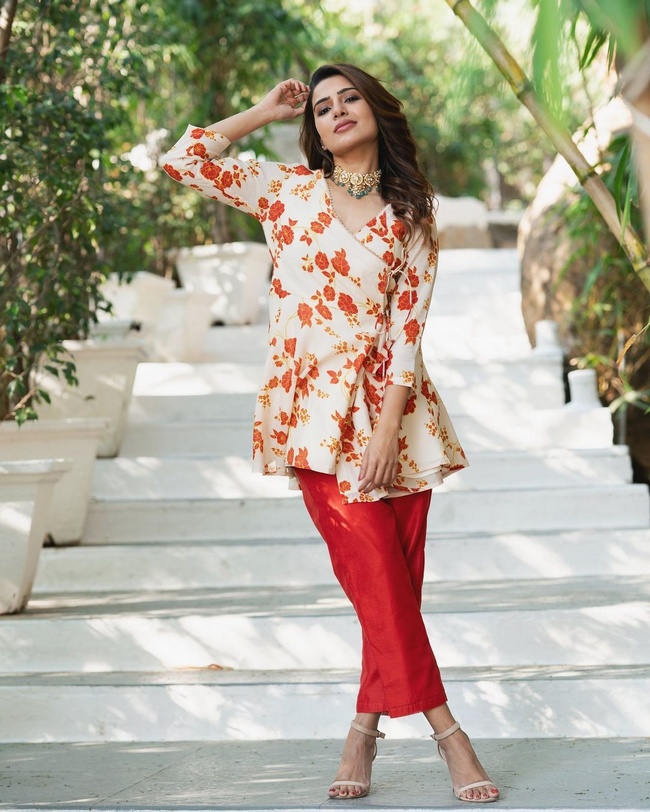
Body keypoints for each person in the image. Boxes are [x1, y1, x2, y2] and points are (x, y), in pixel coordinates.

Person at [162, 63, 500, 804]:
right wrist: (262, 110)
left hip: (397, 422)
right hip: (313, 418)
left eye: (350, 99)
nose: (337, 111)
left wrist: (385, 431)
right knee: (376, 577)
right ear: (312, 128)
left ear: (377, 111)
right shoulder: (285, 192)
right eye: (321, 107)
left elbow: (408, 333)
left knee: (394, 586)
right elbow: (183, 159)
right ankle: (450, 735)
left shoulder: (411, 213)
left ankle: (363, 730)